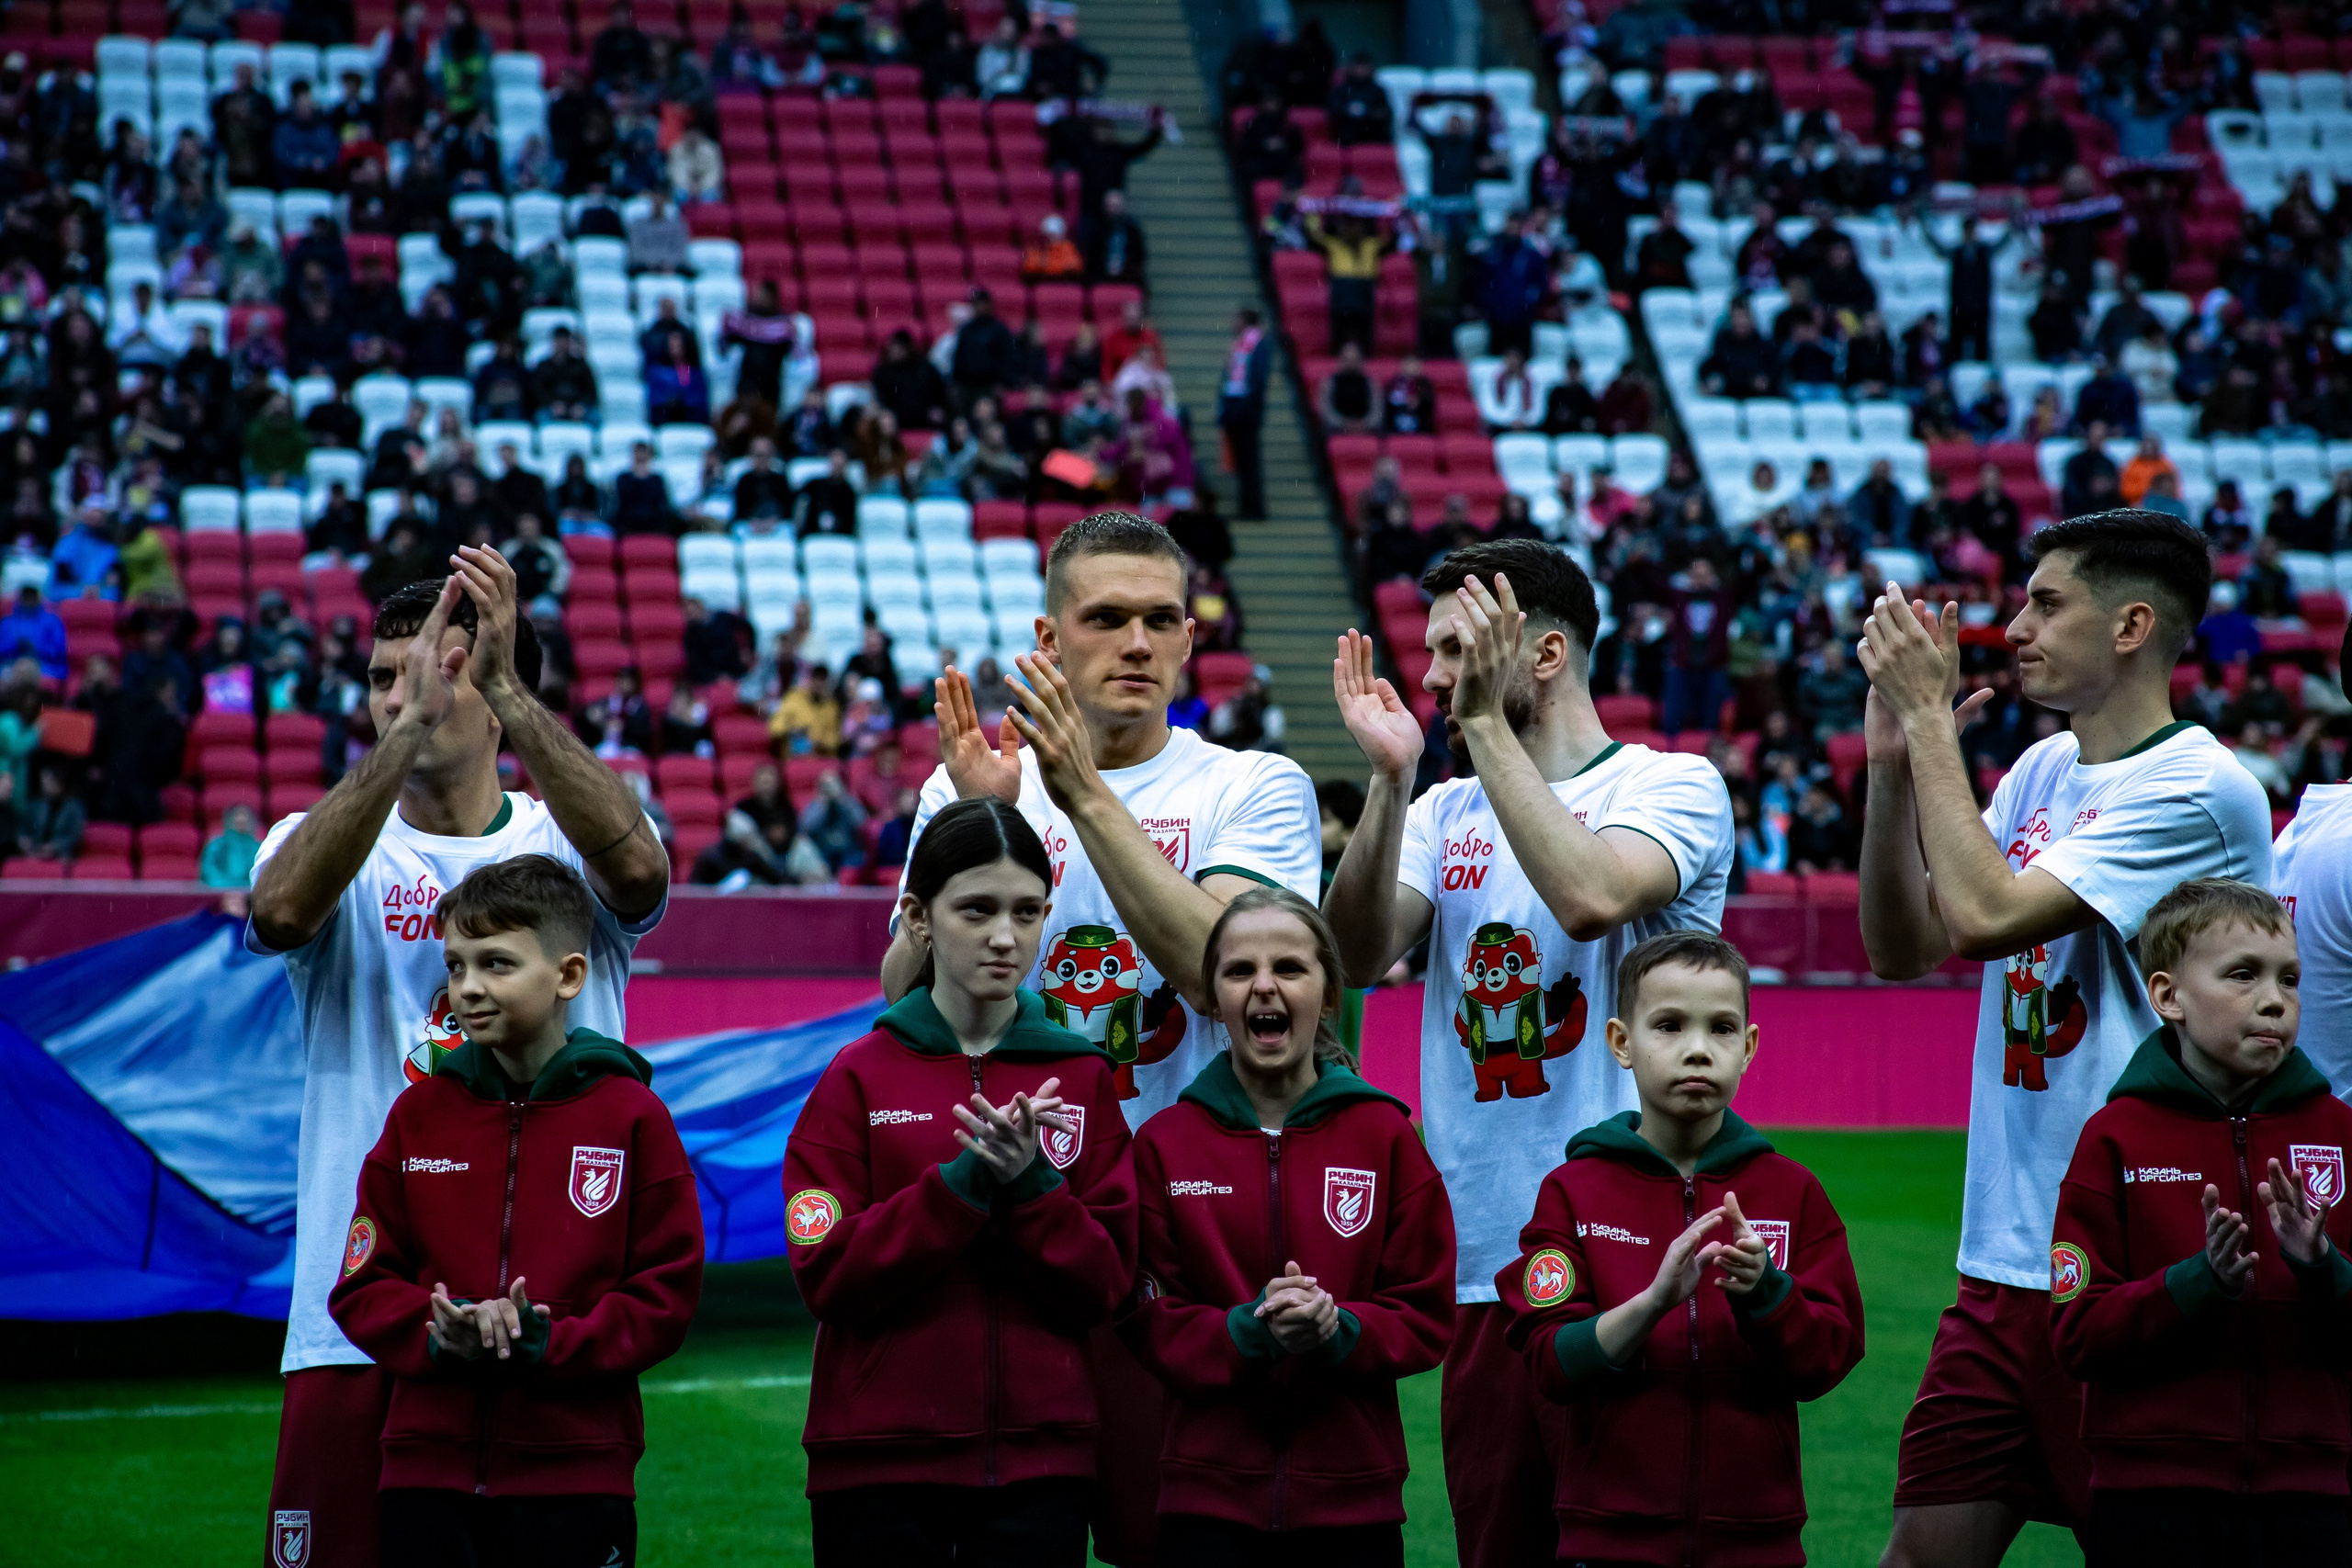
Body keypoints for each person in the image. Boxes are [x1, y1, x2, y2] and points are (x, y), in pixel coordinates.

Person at [882, 512, 1320, 1563]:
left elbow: (1221, 981)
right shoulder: (970, 785)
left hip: (1176, 1233)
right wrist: (982, 842)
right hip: (1004, 1222)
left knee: (1164, 1537)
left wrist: (1070, 795)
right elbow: (898, 1003)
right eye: (1105, 617)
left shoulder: (1252, 787)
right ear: (1048, 635)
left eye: (1159, 619)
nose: (1135, 642)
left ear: (1186, 638)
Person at [1858, 510, 2274, 1567]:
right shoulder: (2042, 773)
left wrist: (1934, 726)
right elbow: (1906, 948)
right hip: (2004, 1262)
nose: (2012, 627)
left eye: (2045, 603)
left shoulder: (2199, 786)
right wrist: (1894, 769)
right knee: (1915, 1556)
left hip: (2140, 1261)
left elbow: (1991, 914)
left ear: (2132, 624)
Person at [246, 558, 670, 1568]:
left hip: (547, 1324)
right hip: (358, 1316)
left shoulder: (565, 841)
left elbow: (643, 873)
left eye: (437, 671)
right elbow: (280, 912)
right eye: (385, 678)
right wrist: (404, 733)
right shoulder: (315, 842)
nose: (408, 694)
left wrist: (514, 692)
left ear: (500, 693)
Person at [1320, 538, 1735, 1568]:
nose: (1430, 678)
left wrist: (1473, 732)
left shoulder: (1670, 785)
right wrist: (1386, 785)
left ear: (1540, 654)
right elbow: (1355, 959)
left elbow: (1590, 897)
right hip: (1486, 1264)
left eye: (1457, 650)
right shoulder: (1441, 810)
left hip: (1642, 1252)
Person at [786, 797, 1136, 1566]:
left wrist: (1033, 1184)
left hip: (1042, 1466)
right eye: (976, 909)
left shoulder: (1082, 1076)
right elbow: (827, 1275)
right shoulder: (856, 1077)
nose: (1006, 936)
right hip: (872, 1463)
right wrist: (964, 1185)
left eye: (1026, 911)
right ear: (918, 916)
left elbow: (1106, 1286)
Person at [327, 855, 702, 1566]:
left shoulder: (633, 1117)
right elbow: (362, 1285)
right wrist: (440, 1333)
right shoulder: (418, 1115)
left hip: (578, 1468)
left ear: (567, 976)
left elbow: (667, 1294)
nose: (468, 987)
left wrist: (546, 1343)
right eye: (456, 966)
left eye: (496, 963)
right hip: (424, 1473)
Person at [1498, 931, 1863, 1565]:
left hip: (1757, 1543)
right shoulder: (1573, 1191)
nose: (1697, 1048)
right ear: (1621, 1042)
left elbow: (1828, 1359)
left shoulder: (1793, 1191)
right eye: (1668, 1025)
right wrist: (1652, 1303)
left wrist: (1768, 1295)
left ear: (1747, 1047)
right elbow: (1550, 1364)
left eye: (1721, 1028)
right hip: (1609, 1539)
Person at [1122, 888, 1454, 1563]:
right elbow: (1145, 1314)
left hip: (1353, 1501)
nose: (1265, 985)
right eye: (1240, 970)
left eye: (1291, 968)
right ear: (1210, 997)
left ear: (1329, 996)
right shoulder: (1164, 1143)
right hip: (1204, 1504)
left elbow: (1424, 1311)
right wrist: (1247, 1331)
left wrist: (1341, 1328)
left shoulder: (1384, 1135)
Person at [2045, 876, 2352, 1567]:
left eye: (2290, 978)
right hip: (2148, 1498)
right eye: (2243, 975)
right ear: (2167, 996)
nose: (2275, 1000)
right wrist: (2195, 1284)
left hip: (2314, 1499)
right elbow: (2076, 1334)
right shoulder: (2114, 1139)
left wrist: (2322, 1269)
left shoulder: (2340, 1135)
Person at [1217, 310, 1273, 520]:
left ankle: (1254, 507)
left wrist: (1246, 408)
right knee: (1242, 462)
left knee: (1249, 461)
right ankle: (1247, 506)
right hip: (1236, 408)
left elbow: (1257, 381)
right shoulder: (1240, 345)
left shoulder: (1258, 345)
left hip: (1245, 410)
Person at [201, 800, 263, 888]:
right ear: (229, 820)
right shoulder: (216, 845)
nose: (241, 819)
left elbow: (260, 875)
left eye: (245, 817)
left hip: (250, 896)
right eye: (237, 816)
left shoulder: (259, 848)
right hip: (218, 894)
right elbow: (209, 872)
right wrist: (227, 888)